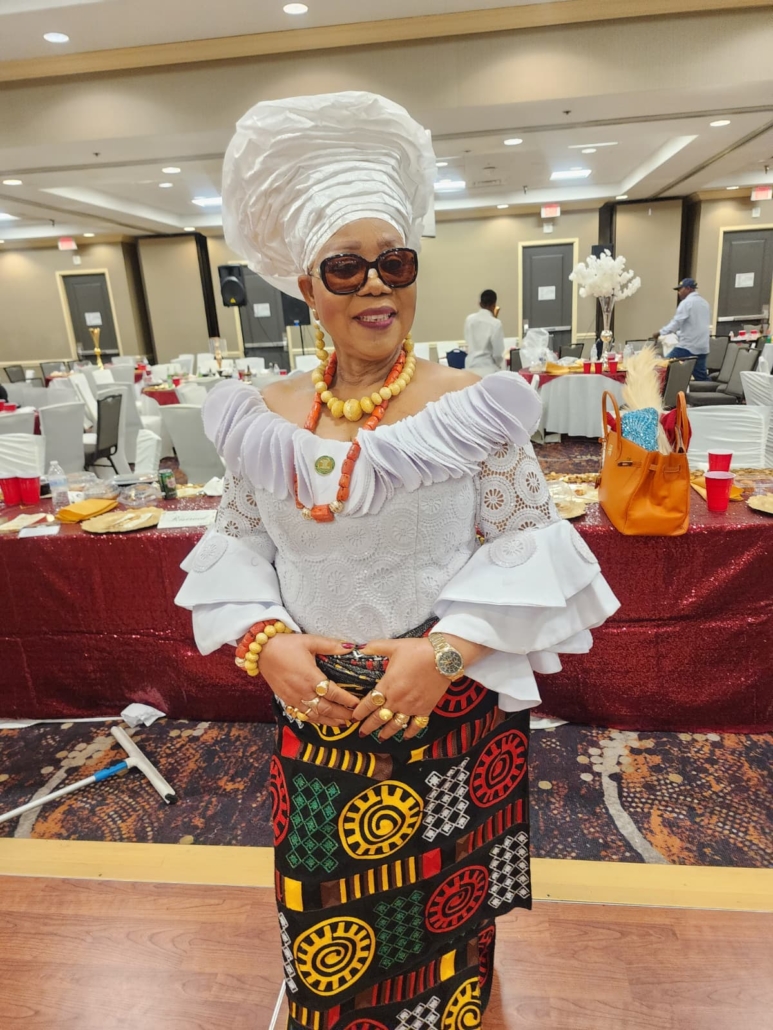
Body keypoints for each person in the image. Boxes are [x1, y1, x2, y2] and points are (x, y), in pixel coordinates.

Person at [176, 91, 618, 1030]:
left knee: (450, 917)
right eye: (346, 267)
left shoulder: (475, 406)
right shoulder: (261, 417)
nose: (375, 286)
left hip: (448, 708)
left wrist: (443, 655)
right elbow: (237, 544)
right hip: (316, 709)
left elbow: (530, 551)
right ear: (308, 288)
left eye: (395, 262)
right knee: (324, 917)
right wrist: (266, 645)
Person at [654, 277, 711, 381]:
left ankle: (666, 389)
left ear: (688, 288)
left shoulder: (686, 303)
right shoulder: (705, 303)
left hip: (687, 347)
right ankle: (711, 390)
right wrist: (679, 333)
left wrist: (660, 332)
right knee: (701, 378)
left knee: (664, 366)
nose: (679, 292)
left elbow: (676, 323)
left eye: (680, 289)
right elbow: (695, 325)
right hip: (702, 347)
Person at [464, 290, 505, 376]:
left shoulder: (469, 320)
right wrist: (499, 365)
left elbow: (467, 341)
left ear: (480, 304)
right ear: (494, 305)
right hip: (488, 369)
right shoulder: (495, 323)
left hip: (470, 367)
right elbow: (498, 353)